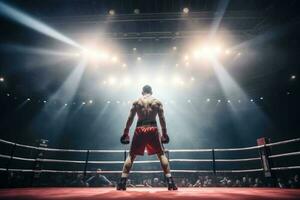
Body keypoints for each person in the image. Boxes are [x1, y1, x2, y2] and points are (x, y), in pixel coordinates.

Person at [117, 85, 177, 190]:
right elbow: (162, 118)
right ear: (151, 91)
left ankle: (122, 182)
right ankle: (170, 181)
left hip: (140, 128)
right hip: (153, 128)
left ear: (142, 91)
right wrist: (164, 133)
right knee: (161, 154)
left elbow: (130, 118)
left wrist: (126, 132)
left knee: (131, 155)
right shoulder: (157, 102)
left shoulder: (136, 102)